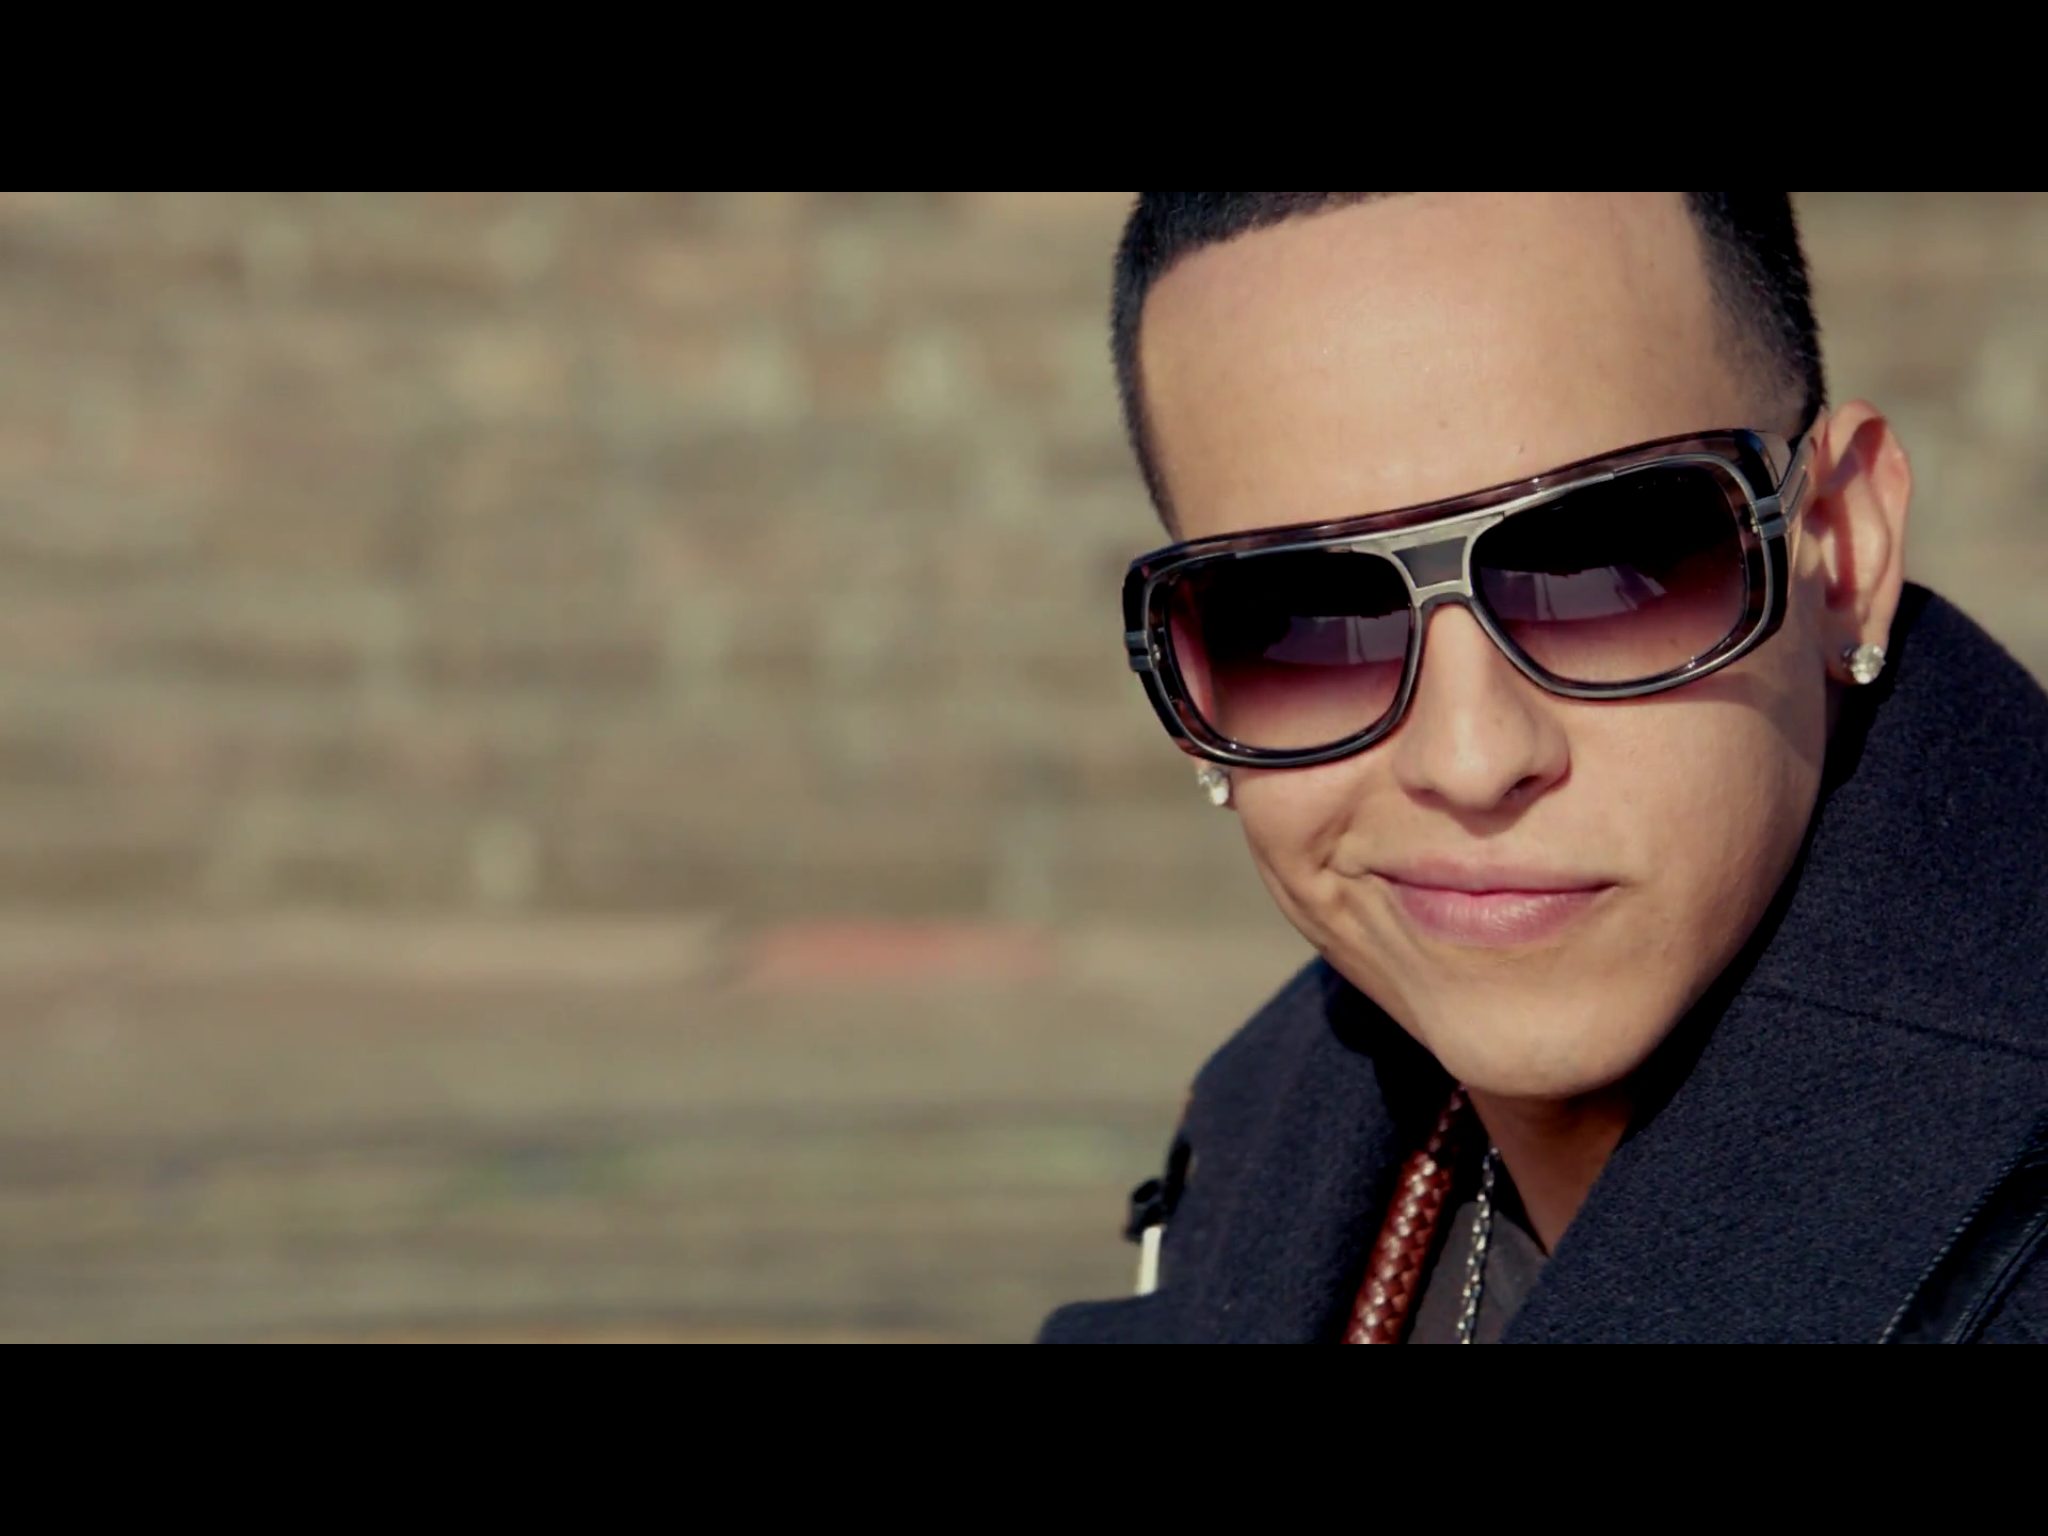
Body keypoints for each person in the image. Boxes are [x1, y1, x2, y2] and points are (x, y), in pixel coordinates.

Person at [1036, 192, 2048, 1344]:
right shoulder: (1251, 1157)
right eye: (1299, 617)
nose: (1470, 759)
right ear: (1189, 678)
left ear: (1839, 550)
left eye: (1606, 567)